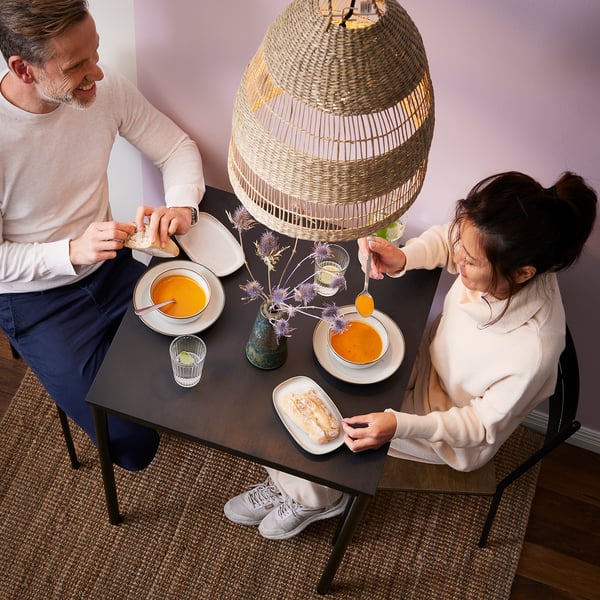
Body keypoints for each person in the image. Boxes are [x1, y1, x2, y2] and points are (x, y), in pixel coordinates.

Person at [224, 170, 597, 540]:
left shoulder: (533, 350)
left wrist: (398, 426)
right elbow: (448, 244)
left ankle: (313, 498)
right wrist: (404, 257)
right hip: (424, 361)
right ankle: (295, 486)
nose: (459, 261)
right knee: (312, 380)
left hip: (448, 428)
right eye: (461, 248)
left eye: (470, 263)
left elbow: (480, 427)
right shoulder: (498, 254)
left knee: (332, 429)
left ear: (522, 274)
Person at [0, 0, 205, 471]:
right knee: (134, 445)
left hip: (112, 265)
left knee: (198, 360)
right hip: (36, 299)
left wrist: (182, 205)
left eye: (95, 52)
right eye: (76, 65)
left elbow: (175, 147)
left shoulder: (102, 88)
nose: (97, 73)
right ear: (22, 68)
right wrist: (70, 252)